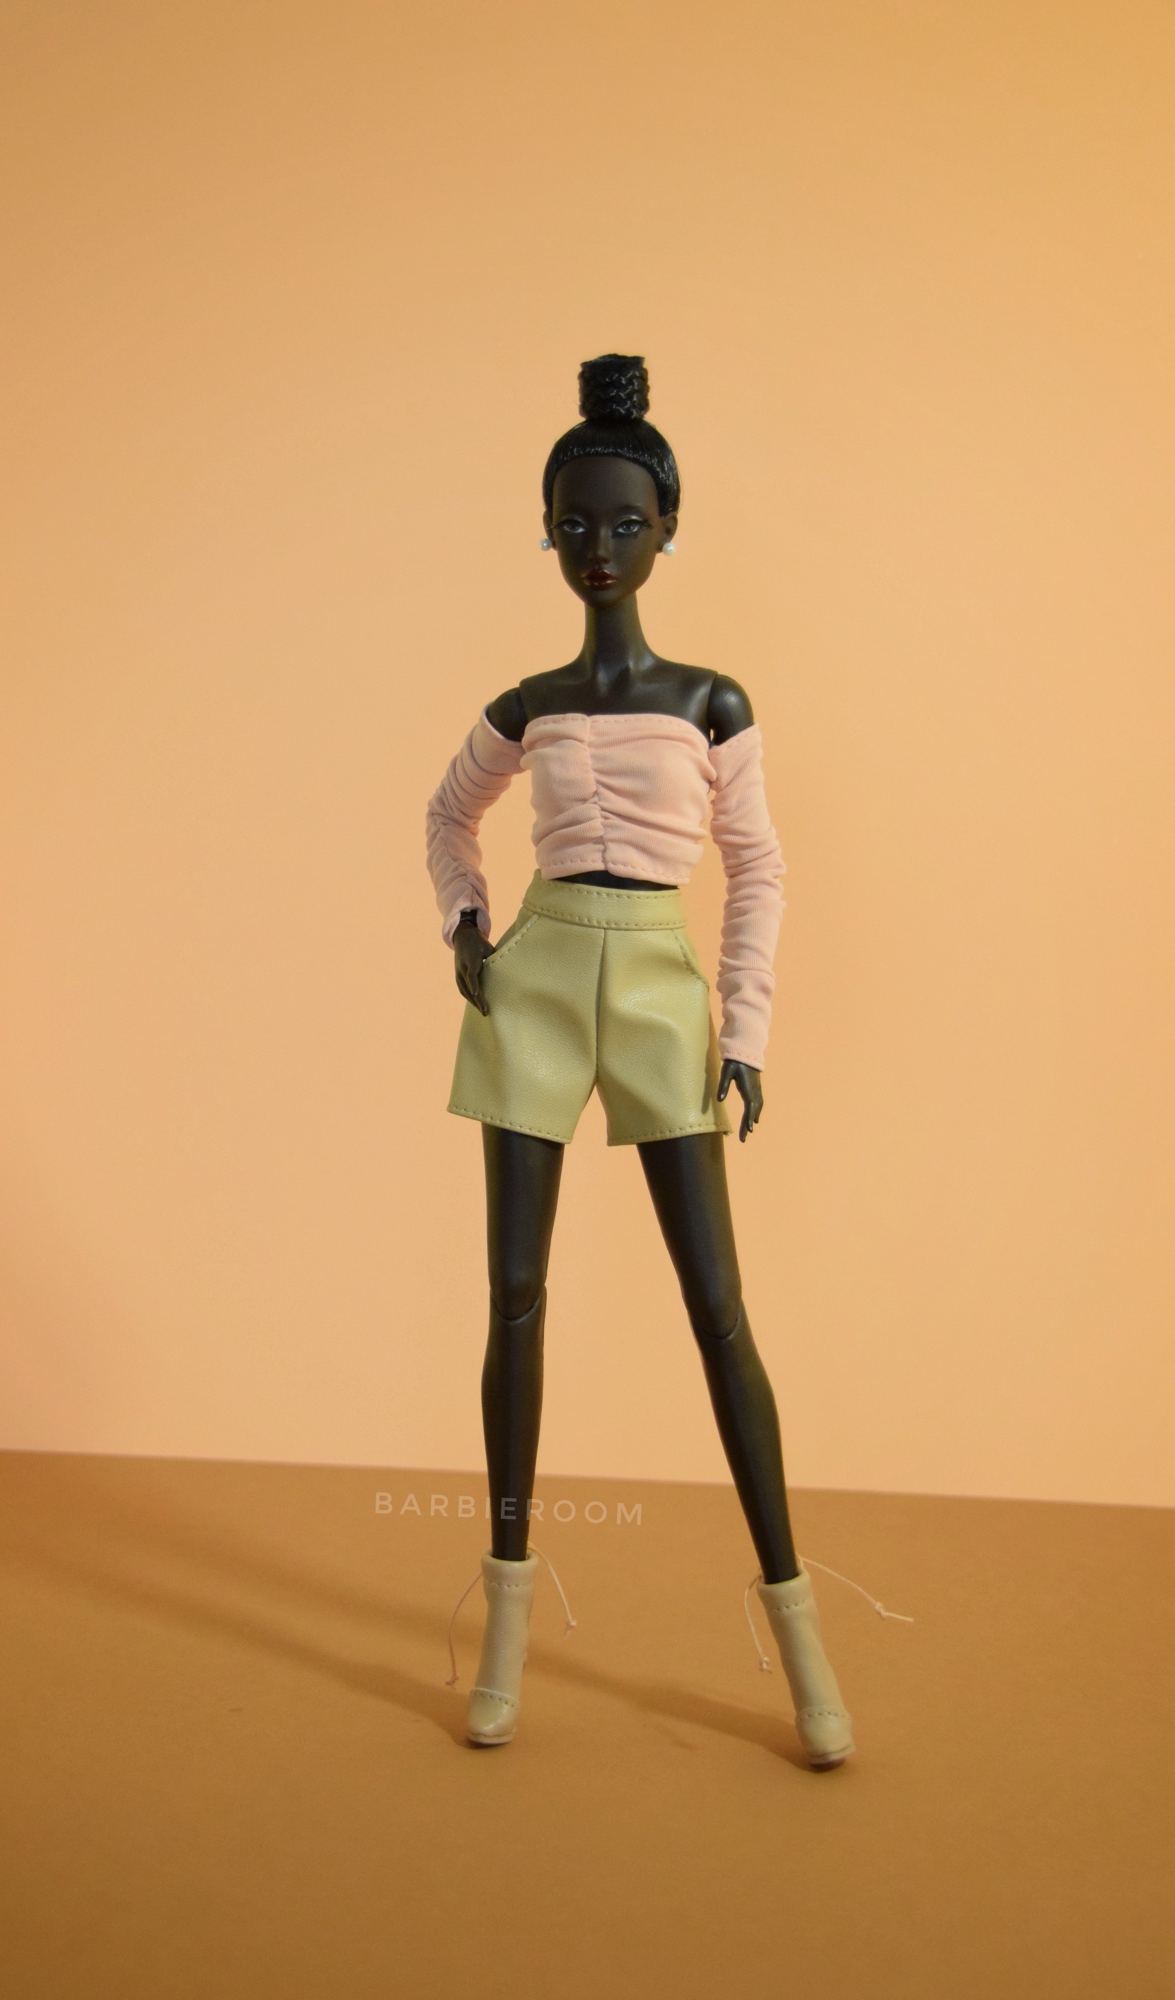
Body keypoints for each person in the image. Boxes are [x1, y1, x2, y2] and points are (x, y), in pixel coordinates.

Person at [425, 354, 853, 1766]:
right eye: (574, 523)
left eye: (623, 522)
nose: (598, 547)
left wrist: (746, 1029)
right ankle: (503, 1626)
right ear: (545, 532)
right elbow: (446, 816)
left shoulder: (710, 700)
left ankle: (800, 1635)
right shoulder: (529, 699)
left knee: (717, 1307)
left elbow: (759, 866)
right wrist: (467, 925)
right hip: (539, 981)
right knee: (515, 1296)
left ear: (667, 527)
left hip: (662, 988)